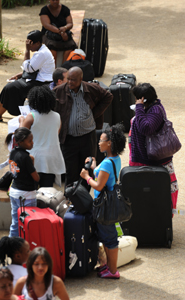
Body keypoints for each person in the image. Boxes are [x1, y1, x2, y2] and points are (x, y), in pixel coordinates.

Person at [54, 66, 113, 189]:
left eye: (73, 80)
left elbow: (108, 97)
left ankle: (84, 199)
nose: (70, 82)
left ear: (81, 79)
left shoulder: (91, 89)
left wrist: (94, 113)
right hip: (68, 138)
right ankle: (70, 200)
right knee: (70, 171)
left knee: (88, 168)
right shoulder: (58, 91)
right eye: (68, 79)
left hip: (88, 137)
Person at [80, 124, 126, 279]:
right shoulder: (113, 159)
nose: (99, 143)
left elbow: (99, 185)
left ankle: (113, 271)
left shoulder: (107, 162)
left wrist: (87, 177)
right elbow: (104, 178)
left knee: (110, 238)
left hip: (105, 205)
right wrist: (94, 167)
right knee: (107, 236)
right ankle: (107, 266)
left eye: (101, 140)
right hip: (107, 202)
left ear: (110, 143)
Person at [0, 30, 55, 122]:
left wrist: (27, 50)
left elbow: (28, 68)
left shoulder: (42, 53)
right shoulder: (41, 49)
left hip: (41, 83)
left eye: (30, 44)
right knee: (10, 85)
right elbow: (34, 68)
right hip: (36, 79)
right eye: (27, 43)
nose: (29, 46)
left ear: (38, 43)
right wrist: (19, 75)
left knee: (10, 88)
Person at [130, 83, 179, 210]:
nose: (135, 100)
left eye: (137, 98)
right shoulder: (150, 107)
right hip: (145, 158)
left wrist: (139, 108)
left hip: (154, 160)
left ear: (143, 99)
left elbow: (146, 128)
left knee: (157, 191)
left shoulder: (156, 110)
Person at [19, 85, 65, 188]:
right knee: (47, 192)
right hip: (51, 158)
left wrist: (21, 120)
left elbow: (21, 135)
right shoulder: (57, 116)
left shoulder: (31, 117)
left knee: (32, 189)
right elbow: (55, 134)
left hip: (35, 158)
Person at [5, 127, 40, 237]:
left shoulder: (13, 153)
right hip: (27, 195)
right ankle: (26, 246)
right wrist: (32, 163)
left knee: (15, 222)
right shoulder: (26, 158)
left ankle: (11, 245)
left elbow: (14, 170)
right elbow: (36, 178)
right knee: (28, 224)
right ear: (20, 142)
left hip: (14, 192)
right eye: (29, 141)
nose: (32, 143)